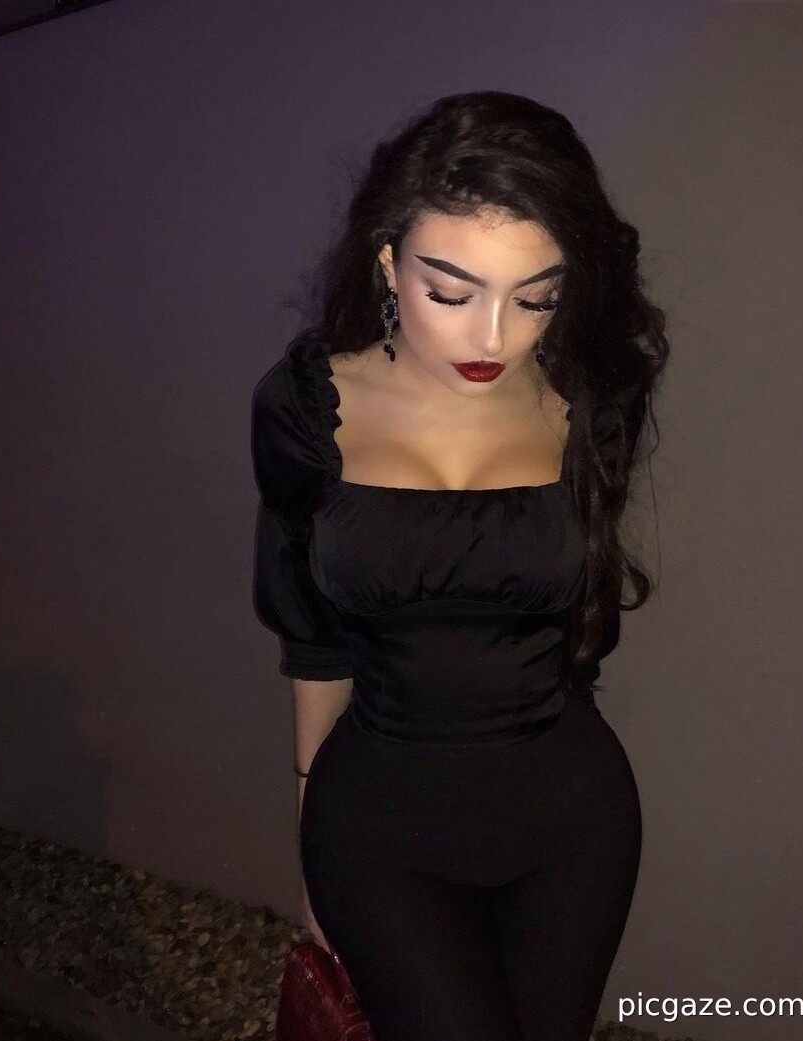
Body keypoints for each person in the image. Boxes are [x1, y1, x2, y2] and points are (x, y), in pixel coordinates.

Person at [250, 91, 669, 1041]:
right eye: (452, 292)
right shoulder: (304, 406)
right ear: (388, 262)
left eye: (536, 298)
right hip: (377, 832)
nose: (493, 338)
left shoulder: (589, 403)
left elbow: (583, 626)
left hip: (571, 824)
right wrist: (308, 814)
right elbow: (311, 637)